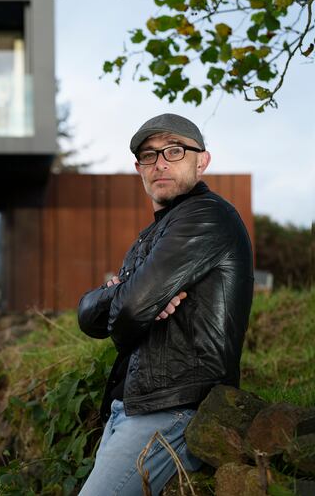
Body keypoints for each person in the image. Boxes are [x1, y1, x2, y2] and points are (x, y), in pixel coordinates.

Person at [77, 113, 253, 495]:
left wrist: (129, 300)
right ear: (139, 168)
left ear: (201, 160)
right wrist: (124, 296)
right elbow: (89, 318)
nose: (159, 163)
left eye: (174, 151)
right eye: (148, 155)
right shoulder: (154, 234)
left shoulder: (206, 216)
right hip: (132, 408)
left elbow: (125, 317)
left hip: (173, 408)